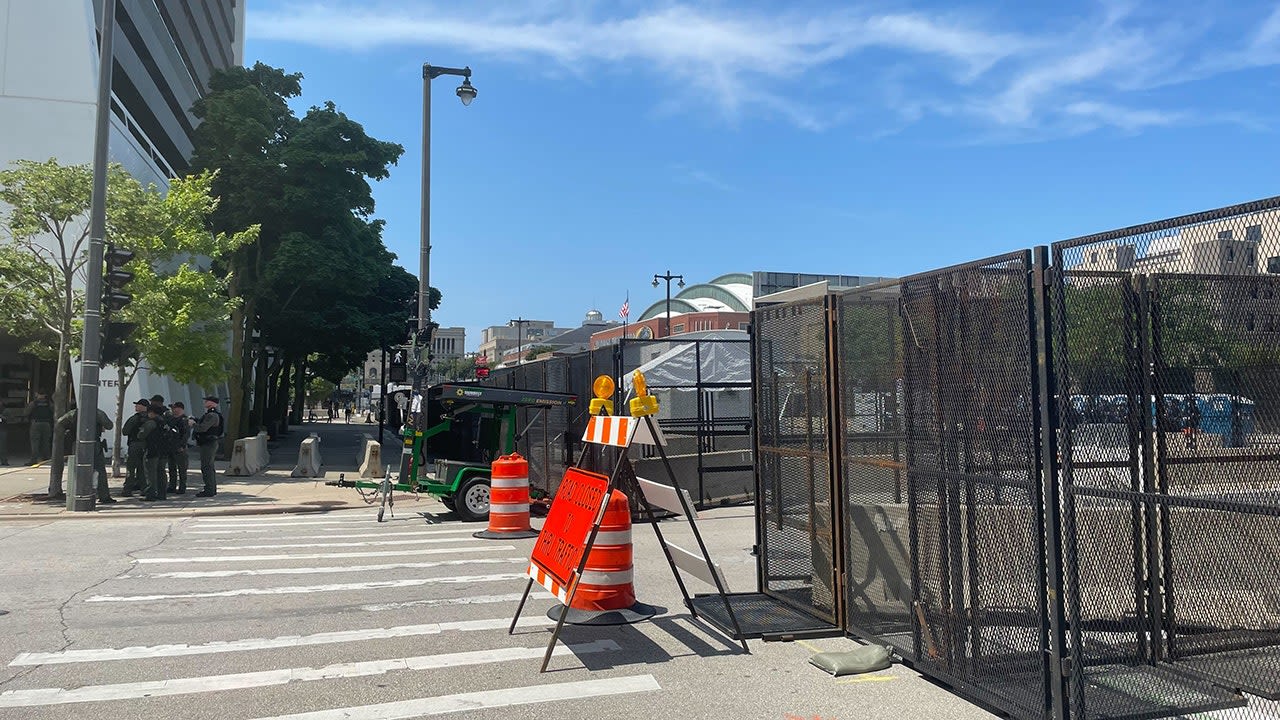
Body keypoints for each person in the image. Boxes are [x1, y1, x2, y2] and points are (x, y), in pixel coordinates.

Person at [52, 404, 116, 504]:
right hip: (94, 444)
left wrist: (71, 428)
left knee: (78, 469)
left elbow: (60, 422)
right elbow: (109, 425)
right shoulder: (97, 413)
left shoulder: (74, 413)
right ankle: (104, 496)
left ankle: (78, 492)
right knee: (99, 471)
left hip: (78, 443)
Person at [192, 396, 223, 497]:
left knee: (207, 467)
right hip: (208, 443)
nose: (205, 402)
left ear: (213, 403)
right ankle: (210, 488)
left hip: (209, 443)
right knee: (208, 466)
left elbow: (202, 428)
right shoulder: (210, 414)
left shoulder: (212, 415)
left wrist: (193, 424)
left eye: (207, 400)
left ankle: (209, 489)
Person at [120, 399, 150, 496]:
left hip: (135, 445)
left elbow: (125, 431)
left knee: (131, 468)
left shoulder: (134, 418)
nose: (136, 406)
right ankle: (144, 489)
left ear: (143, 407)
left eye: (138, 405)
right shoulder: (151, 418)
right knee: (143, 468)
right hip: (147, 446)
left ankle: (128, 489)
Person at [139, 403, 167, 501]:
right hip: (163, 451)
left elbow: (141, 435)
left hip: (152, 450)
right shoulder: (164, 422)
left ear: (151, 413)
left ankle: (150, 494)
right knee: (161, 473)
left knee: (150, 473)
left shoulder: (150, 423)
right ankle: (162, 494)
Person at [166, 402, 193, 494]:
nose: (173, 410)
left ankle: (182, 487)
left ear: (180, 409)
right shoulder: (171, 419)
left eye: (175, 408)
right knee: (171, 468)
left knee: (182, 469)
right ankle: (172, 486)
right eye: (172, 408)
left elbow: (186, 434)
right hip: (170, 447)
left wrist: (182, 445)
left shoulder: (184, 420)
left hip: (180, 448)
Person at [25, 392, 53, 464]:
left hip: (36, 423)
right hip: (47, 424)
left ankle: (34, 459)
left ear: (37, 395)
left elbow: (26, 412)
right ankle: (46, 459)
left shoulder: (34, 403)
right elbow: (54, 411)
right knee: (46, 442)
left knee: (35, 442)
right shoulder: (49, 403)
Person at [0, 399, 9, 465]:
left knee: (2, 446)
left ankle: (4, 461)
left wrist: (2, 416)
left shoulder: (5, 410)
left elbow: (10, 418)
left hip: (2, 429)